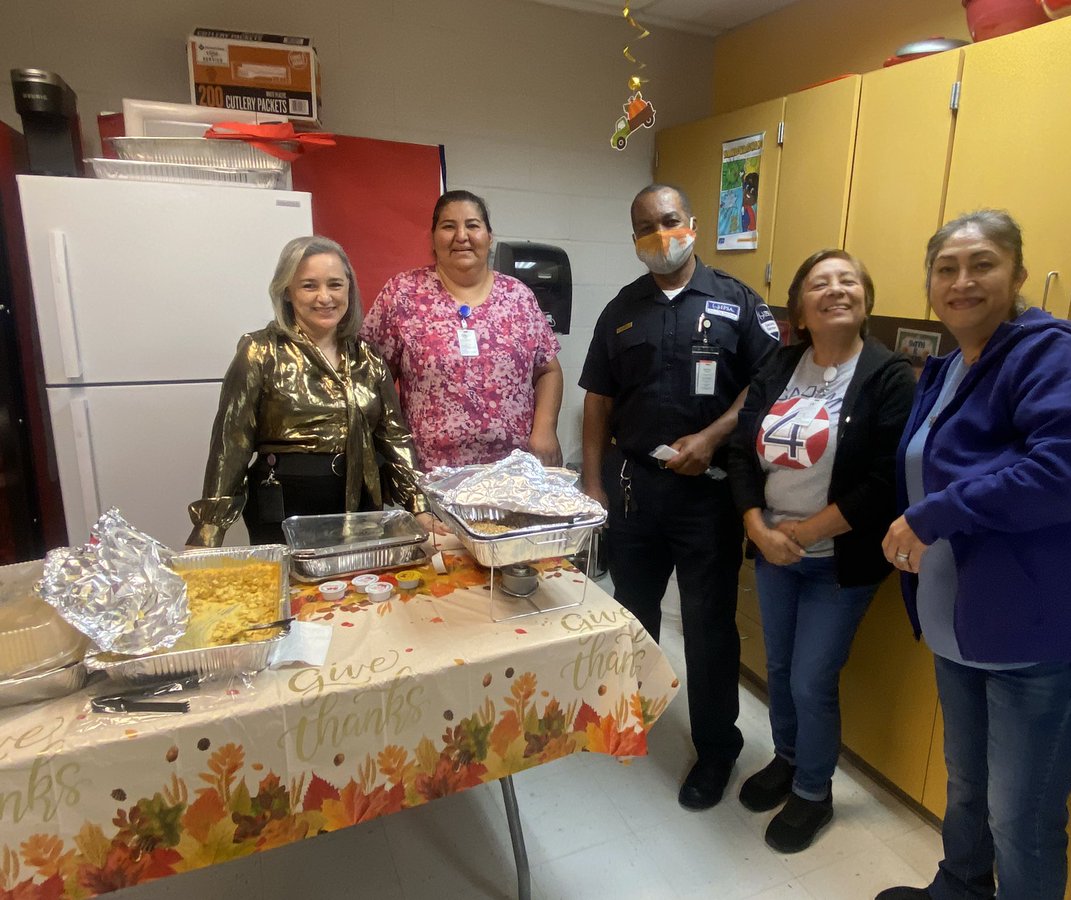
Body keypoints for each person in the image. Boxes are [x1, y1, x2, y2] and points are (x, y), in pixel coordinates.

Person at [875, 210, 1071, 900]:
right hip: (964, 631)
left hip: (1046, 642)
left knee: (1020, 821)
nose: (962, 281)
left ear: (1019, 275)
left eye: (983, 264)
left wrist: (934, 514)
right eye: (946, 268)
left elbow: (1066, 471)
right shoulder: (948, 367)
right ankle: (959, 888)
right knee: (966, 788)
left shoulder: (1049, 350)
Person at [580, 183, 779, 810]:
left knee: (707, 626)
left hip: (708, 495)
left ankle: (717, 749)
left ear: (692, 224)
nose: (660, 234)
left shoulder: (738, 302)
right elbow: (598, 402)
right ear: (635, 238)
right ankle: (632, 717)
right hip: (634, 489)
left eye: (668, 221)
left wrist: (715, 436)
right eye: (645, 227)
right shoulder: (621, 310)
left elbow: (769, 381)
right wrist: (592, 486)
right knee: (632, 615)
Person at [727, 250, 914, 852]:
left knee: (811, 678)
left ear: (865, 300)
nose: (835, 290)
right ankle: (786, 759)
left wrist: (801, 536)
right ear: (800, 310)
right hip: (774, 550)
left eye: (848, 280)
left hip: (838, 562)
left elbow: (885, 481)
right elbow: (739, 452)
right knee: (779, 669)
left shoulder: (888, 376)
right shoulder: (780, 363)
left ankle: (813, 792)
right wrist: (757, 526)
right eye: (819, 283)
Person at [187, 236, 425, 547]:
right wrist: (209, 528)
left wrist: (418, 506)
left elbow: (394, 437)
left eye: (335, 285)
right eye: (309, 285)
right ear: (287, 291)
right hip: (287, 504)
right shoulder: (259, 352)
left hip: (360, 504)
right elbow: (231, 444)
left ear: (349, 289)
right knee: (296, 594)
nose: (324, 297)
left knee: (360, 592)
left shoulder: (367, 356)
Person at [361, 189, 564, 470]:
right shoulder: (403, 294)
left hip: (513, 473)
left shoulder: (518, 296)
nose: (461, 236)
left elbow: (548, 371)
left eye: (472, 225)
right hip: (432, 474)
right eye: (448, 226)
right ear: (432, 238)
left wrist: (545, 430)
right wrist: (393, 452)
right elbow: (373, 381)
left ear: (489, 237)